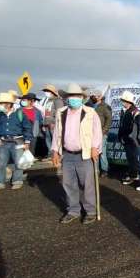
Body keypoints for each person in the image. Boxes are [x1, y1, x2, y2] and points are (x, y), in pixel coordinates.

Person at [51, 83, 103, 224]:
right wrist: (55, 151)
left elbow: (97, 133)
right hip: (67, 154)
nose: (73, 98)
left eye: (76, 96)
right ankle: (73, 210)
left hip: (84, 154)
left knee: (87, 185)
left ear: (81, 97)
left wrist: (94, 148)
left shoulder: (90, 112)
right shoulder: (61, 112)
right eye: (71, 96)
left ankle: (91, 211)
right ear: (67, 98)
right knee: (68, 184)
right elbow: (57, 133)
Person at [0, 92, 33, 191]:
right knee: (1, 164)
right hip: (3, 142)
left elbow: (27, 127)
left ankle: (17, 181)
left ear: (9, 104)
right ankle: (0, 183)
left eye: (2, 103)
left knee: (18, 163)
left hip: (17, 141)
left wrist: (27, 142)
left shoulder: (19, 114)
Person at [117, 90, 139, 185]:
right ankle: (133, 173)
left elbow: (134, 127)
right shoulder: (125, 111)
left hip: (131, 140)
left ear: (128, 101)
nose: (122, 102)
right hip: (126, 139)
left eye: (123, 100)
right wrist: (121, 136)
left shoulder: (134, 112)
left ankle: (133, 176)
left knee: (132, 158)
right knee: (130, 158)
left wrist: (130, 137)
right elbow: (122, 125)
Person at [88, 90, 112, 177]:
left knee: (102, 153)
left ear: (100, 97)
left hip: (102, 133)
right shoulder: (89, 106)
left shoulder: (105, 107)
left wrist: (103, 132)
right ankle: (96, 170)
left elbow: (109, 120)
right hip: (91, 133)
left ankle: (104, 170)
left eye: (95, 96)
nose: (93, 98)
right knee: (93, 151)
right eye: (92, 96)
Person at [41, 84, 65, 159]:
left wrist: (55, 122)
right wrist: (44, 124)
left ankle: (58, 154)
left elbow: (60, 112)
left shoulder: (57, 100)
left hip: (54, 124)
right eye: (45, 91)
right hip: (47, 124)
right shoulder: (48, 101)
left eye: (47, 91)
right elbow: (46, 113)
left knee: (56, 140)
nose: (46, 92)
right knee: (48, 140)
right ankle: (50, 154)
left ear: (52, 92)